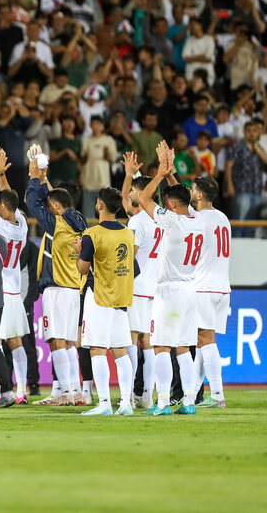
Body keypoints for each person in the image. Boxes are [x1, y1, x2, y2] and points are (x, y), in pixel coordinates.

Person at [137, 142, 202, 416]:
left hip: (168, 291)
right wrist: (172, 172)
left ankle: (163, 402)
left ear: (172, 205)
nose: (164, 206)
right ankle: (189, 402)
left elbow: (143, 199)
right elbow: (181, 197)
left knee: (161, 346)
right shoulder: (198, 220)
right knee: (184, 349)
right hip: (190, 291)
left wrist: (160, 174)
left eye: (167, 203)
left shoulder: (171, 221)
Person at [25, 149, 88, 406]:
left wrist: (34, 176)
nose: (48, 210)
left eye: (52, 207)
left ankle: (68, 393)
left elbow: (33, 204)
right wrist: (44, 177)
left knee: (56, 341)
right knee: (68, 342)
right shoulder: (79, 222)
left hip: (57, 289)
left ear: (58, 208)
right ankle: (74, 391)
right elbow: (52, 201)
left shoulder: (58, 225)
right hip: (73, 289)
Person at [74, 187, 137, 416]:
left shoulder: (92, 234)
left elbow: (82, 268)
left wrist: (79, 251)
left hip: (99, 296)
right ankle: (126, 403)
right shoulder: (128, 234)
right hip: (121, 297)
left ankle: (104, 403)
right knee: (120, 350)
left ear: (100, 205)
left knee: (97, 350)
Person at [0, 148, 28, 406]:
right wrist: (1, 174)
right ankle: (21, 389)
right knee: (16, 341)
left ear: (0, 207)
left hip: (0, 290)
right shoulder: (21, 223)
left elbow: (3, 199)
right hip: (15, 289)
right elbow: (9, 198)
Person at [120, 152, 160, 410]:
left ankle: (128, 396)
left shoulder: (136, 221)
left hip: (136, 286)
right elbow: (125, 201)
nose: (130, 193)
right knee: (149, 342)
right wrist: (130, 174)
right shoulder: (162, 218)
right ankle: (146, 396)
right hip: (155, 287)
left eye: (134, 190)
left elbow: (129, 256)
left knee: (132, 339)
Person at [192, 176, 231, 409]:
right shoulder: (223, 218)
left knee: (206, 340)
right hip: (222, 287)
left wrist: (169, 175)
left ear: (199, 195)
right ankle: (193, 392)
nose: (189, 192)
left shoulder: (199, 219)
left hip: (204, 287)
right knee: (201, 341)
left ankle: (217, 393)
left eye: (192, 189)